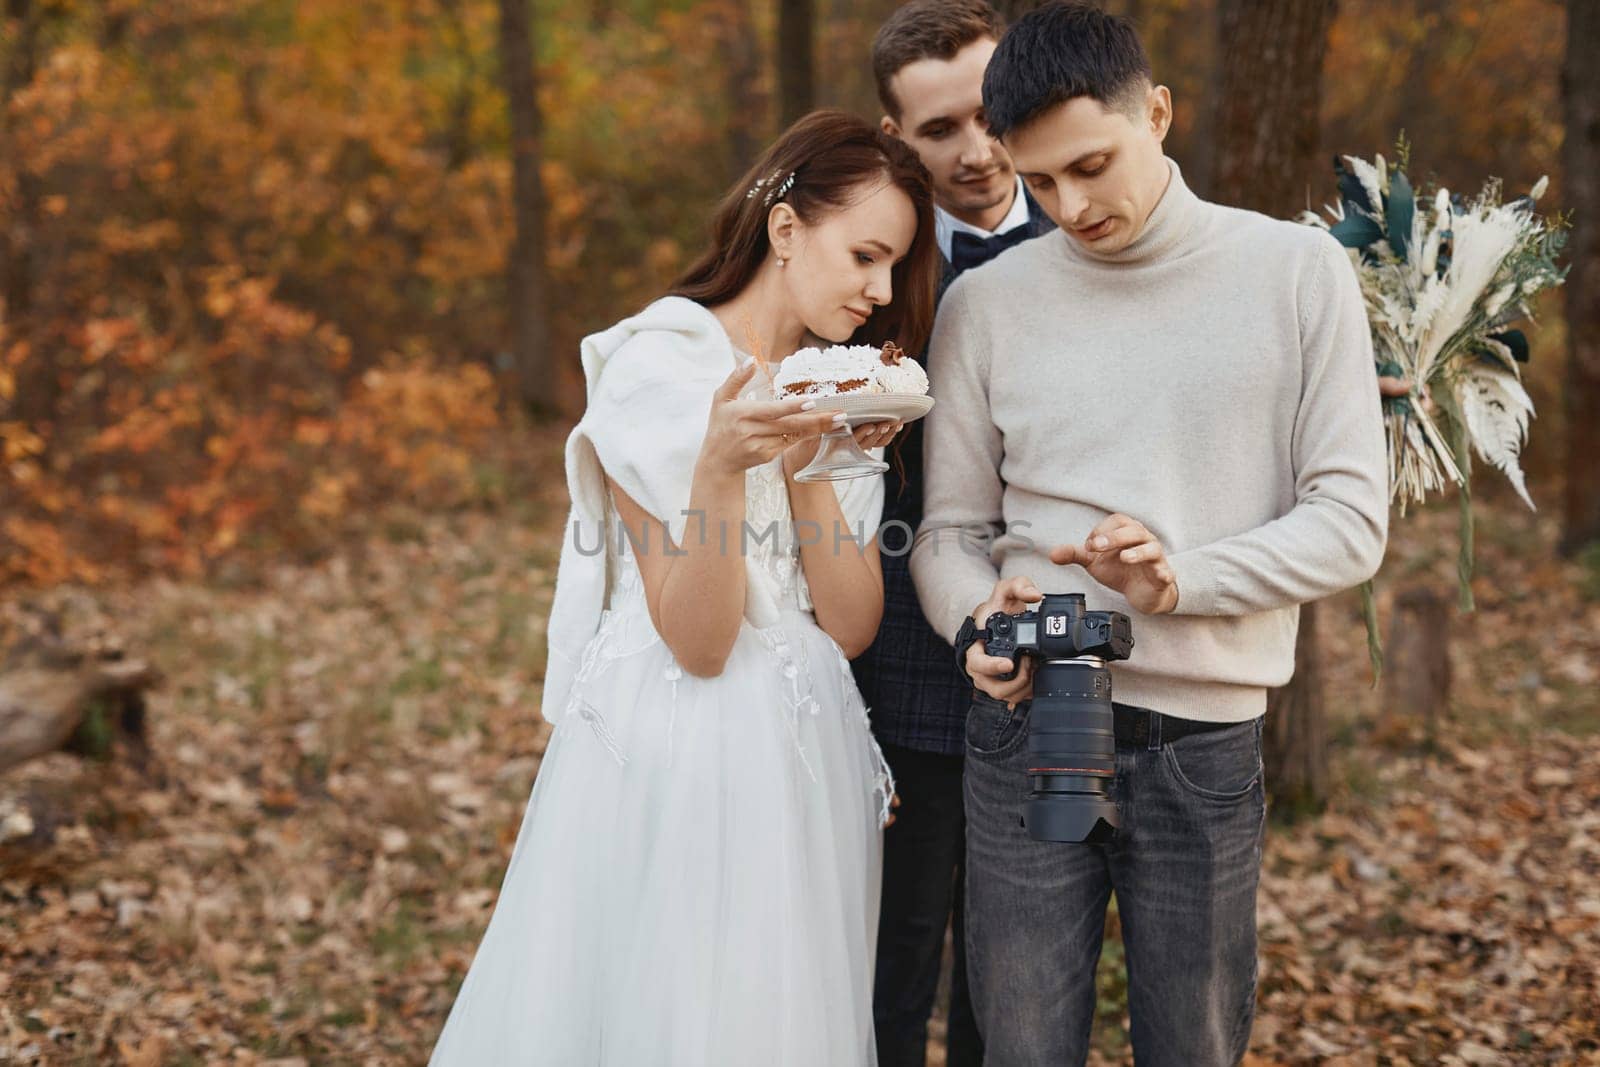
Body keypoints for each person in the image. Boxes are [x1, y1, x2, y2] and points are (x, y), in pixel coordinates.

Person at [909, 4, 1389, 1065]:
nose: (1068, 206)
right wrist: (975, 619)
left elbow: (1353, 523)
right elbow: (945, 531)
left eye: (1089, 165)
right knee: (1021, 1043)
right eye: (1038, 182)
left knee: (1194, 1043)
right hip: (1026, 731)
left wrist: (1183, 580)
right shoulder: (983, 306)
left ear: (1158, 112)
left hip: (1202, 749)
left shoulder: (1297, 275)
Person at [429, 109, 943, 1066]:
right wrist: (717, 466)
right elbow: (699, 644)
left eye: (893, 268)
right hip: (682, 743)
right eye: (865, 256)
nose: (878, 293)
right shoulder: (654, 366)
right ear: (787, 230)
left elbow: (853, 620)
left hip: (808, 745)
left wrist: (809, 457)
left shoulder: (846, 386)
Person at [855, 3, 1055, 1065]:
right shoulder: (867, 268)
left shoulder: (1088, 233)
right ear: (895, 137)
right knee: (888, 957)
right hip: (890, 651)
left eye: (987, 114)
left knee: (1012, 963)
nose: (974, 152)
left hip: (1051, 648)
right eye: (939, 131)